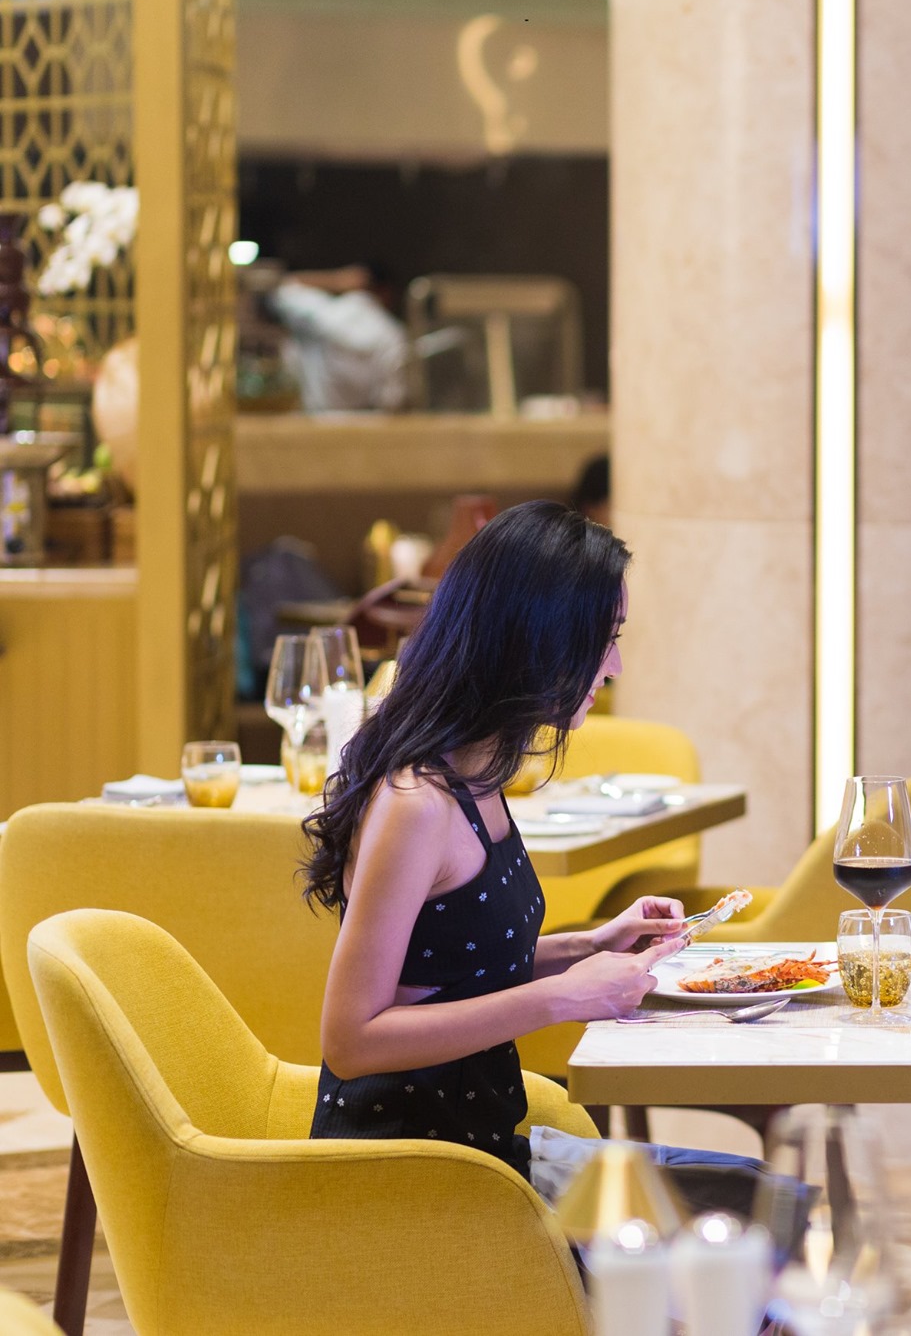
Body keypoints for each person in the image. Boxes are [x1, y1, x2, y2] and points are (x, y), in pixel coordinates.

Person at [301, 499, 766, 1211]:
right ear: (536, 640)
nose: (613, 666)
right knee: (751, 1218)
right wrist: (562, 997)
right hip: (413, 1180)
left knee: (761, 1200)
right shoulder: (417, 803)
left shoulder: (477, 775)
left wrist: (588, 945)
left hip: (488, 1151)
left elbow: (454, 966)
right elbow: (351, 1039)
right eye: (603, 639)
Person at [270, 263, 410, 412]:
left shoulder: (323, 313)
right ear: (387, 292)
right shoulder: (393, 333)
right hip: (369, 422)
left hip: (314, 418)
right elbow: (393, 399)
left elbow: (282, 290)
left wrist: (337, 280)